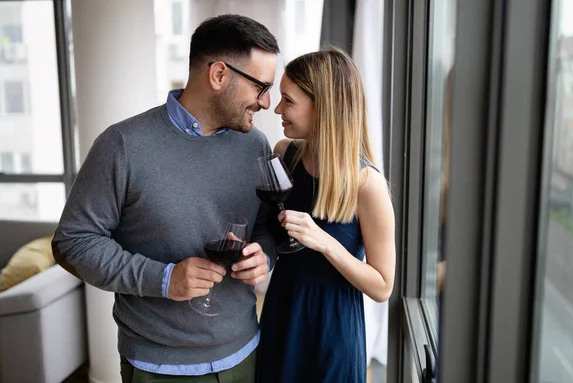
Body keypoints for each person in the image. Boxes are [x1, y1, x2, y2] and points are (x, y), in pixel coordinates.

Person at [52, 14, 279, 383]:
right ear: (219, 75)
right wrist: (164, 279)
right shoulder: (122, 145)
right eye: (261, 87)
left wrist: (262, 257)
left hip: (244, 354)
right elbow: (72, 244)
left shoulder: (255, 145)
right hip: (157, 368)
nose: (267, 102)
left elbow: (267, 227)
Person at [255, 49, 396, 383]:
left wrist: (325, 242)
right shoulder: (283, 155)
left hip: (332, 331)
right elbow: (267, 231)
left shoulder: (367, 185)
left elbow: (382, 287)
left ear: (323, 107)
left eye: (288, 101)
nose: (277, 109)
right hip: (282, 312)